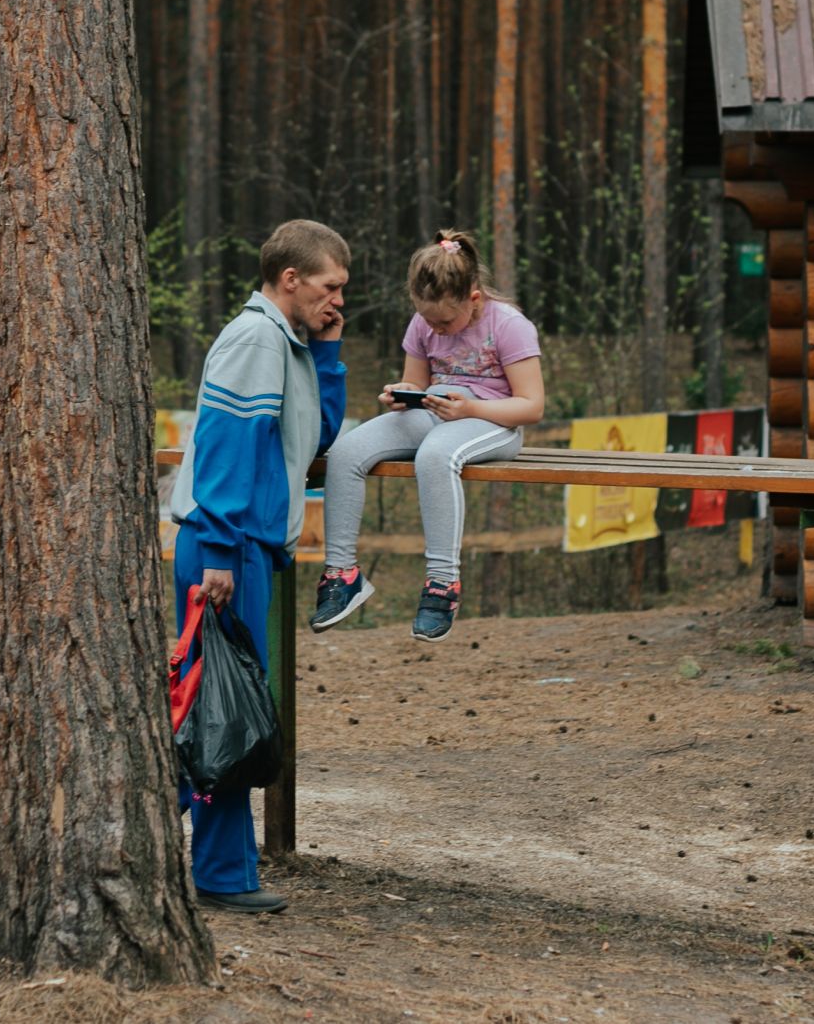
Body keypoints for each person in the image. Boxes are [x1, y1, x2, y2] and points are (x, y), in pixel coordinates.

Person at [168, 219, 349, 915]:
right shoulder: (253, 338)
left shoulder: (290, 343)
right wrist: (216, 549)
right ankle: (137, 838)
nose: (338, 299)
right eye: (330, 288)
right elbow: (224, 441)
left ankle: (222, 869)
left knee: (230, 713)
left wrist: (330, 351)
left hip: (248, 549)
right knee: (215, 714)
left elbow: (317, 437)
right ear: (291, 278)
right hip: (225, 548)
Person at [312, 229, 544, 642]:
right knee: (346, 452)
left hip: (494, 422)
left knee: (434, 455)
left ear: (473, 298)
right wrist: (402, 397)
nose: (435, 328)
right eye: (427, 319)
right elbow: (415, 385)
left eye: (444, 321)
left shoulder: (509, 325)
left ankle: (442, 584)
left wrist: (471, 408)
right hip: (437, 411)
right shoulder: (423, 323)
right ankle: (341, 574)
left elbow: (531, 406)